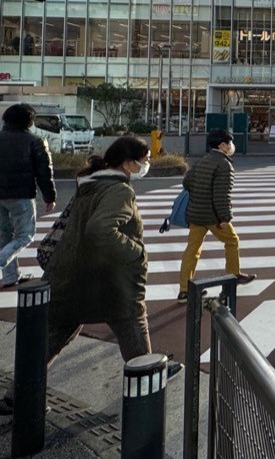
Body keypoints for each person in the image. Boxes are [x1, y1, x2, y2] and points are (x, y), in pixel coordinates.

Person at [0, 137, 178, 417]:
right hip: (106, 278)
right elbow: (100, 230)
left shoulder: (90, 184)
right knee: (132, 321)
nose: (146, 164)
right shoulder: (120, 191)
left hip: (68, 276)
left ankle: (15, 397)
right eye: (143, 159)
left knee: (51, 340)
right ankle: (148, 382)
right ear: (127, 162)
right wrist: (136, 253)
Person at [177, 129, 255, 302]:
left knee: (192, 249)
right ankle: (233, 276)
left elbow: (186, 182)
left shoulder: (201, 161)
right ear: (222, 145)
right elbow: (222, 194)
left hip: (195, 213)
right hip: (213, 216)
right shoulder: (224, 165)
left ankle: (184, 290)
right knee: (232, 241)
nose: (231, 146)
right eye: (230, 142)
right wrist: (225, 218)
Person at [0, 104, 57, 288]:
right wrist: (49, 197)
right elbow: (44, 173)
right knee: (26, 235)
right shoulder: (35, 141)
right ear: (29, 121)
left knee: (5, 235)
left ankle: (11, 277)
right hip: (20, 195)